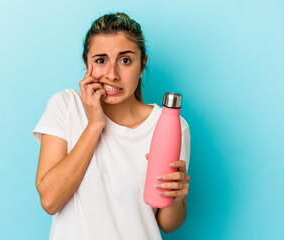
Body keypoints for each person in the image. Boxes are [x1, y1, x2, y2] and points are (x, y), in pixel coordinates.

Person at [32, 12, 191, 239]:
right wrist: (95, 125)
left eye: (125, 60)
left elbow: (168, 224)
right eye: (100, 60)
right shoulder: (65, 106)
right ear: (87, 64)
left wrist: (175, 197)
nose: (112, 75)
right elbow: (50, 200)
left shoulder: (170, 125)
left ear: (142, 64)